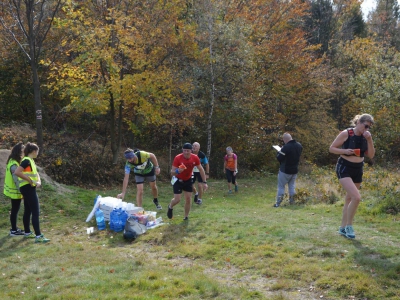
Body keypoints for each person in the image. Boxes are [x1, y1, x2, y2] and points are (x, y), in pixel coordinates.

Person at [329, 114, 375, 239]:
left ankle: (342, 228)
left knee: (349, 199)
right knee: (357, 197)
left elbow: (370, 155)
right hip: (344, 167)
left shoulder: (366, 137)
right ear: (358, 122)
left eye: (369, 127)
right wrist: (344, 151)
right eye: (365, 126)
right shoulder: (346, 133)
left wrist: (370, 140)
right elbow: (332, 148)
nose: (366, 129)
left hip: (358, 168)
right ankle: (349, 226)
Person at [14, 142, 50, 243]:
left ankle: (27, 232)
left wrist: (39, 181)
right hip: (28, 188)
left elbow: (36, 173)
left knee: (28, 210)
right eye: (37, 151)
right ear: (34, 151)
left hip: (27, 188)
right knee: (35, 212)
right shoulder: (26, 161)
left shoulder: (30, 161)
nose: (38, 153)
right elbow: (17, 172)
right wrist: (30, 180)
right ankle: (38, 236)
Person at [167, 143, 208, 221]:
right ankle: (170, 207)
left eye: (188, 151)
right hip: (177, 179)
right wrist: (177, 171)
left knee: (188, 199)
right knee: (177, 199)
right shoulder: (178, 158)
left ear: (191, 151)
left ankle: (186, 217)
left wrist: (204, 182)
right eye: (184, 150)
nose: (186, 152)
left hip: (188, 179)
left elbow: (201, 169)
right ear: (182, 150)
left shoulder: (195, 158)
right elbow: (172, 172)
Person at [273, 133, 303, 207]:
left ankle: (278, 203)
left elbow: (279, 158)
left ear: (285, 139)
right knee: (292, 186)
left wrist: (279, 152)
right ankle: (292, 202)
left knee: (281, 186)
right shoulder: (299, 145)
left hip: (285, 170)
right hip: (294, 169)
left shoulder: (286, 147)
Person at [4, 142, 25, 236]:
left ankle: (14, 228)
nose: (24, 152)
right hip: (15, 191)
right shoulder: (14, 164)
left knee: (14, 210)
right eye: (23, 150)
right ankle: (13, 230)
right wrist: (22, 192)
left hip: (13, 191)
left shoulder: (12, 161)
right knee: (15, 210)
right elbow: (16, 180)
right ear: (19, 151)